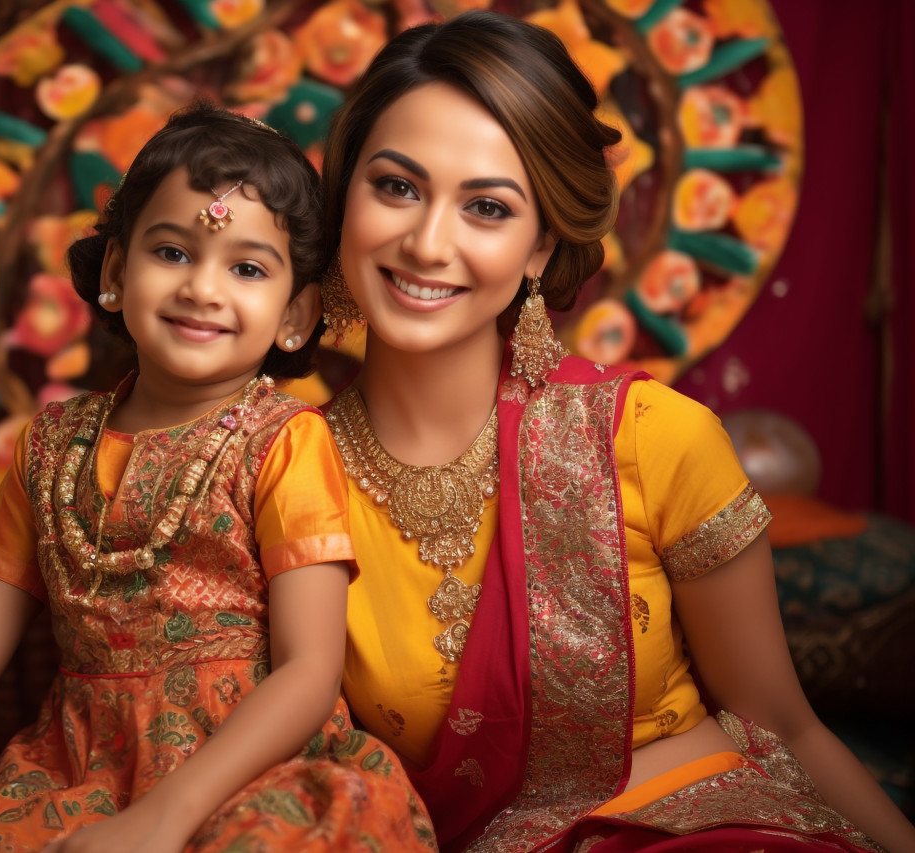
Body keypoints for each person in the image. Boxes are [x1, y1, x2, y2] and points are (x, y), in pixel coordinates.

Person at [0, 105, 434, 853]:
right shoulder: (51, 447)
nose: (203, 287)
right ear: (113, 271)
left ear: (295, 314)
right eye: (172, 252)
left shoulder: (286, 443)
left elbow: (309, 670)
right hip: (74, 776)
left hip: (255, 775)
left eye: (247, 267)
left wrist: (162, 819)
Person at [317, 10, 915, 853]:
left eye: (487, 207)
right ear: (343, 198)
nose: (427, 240)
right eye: (397, 186)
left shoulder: (649, 435)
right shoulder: (282, 471)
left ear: (539, 246)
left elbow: (786, 725)